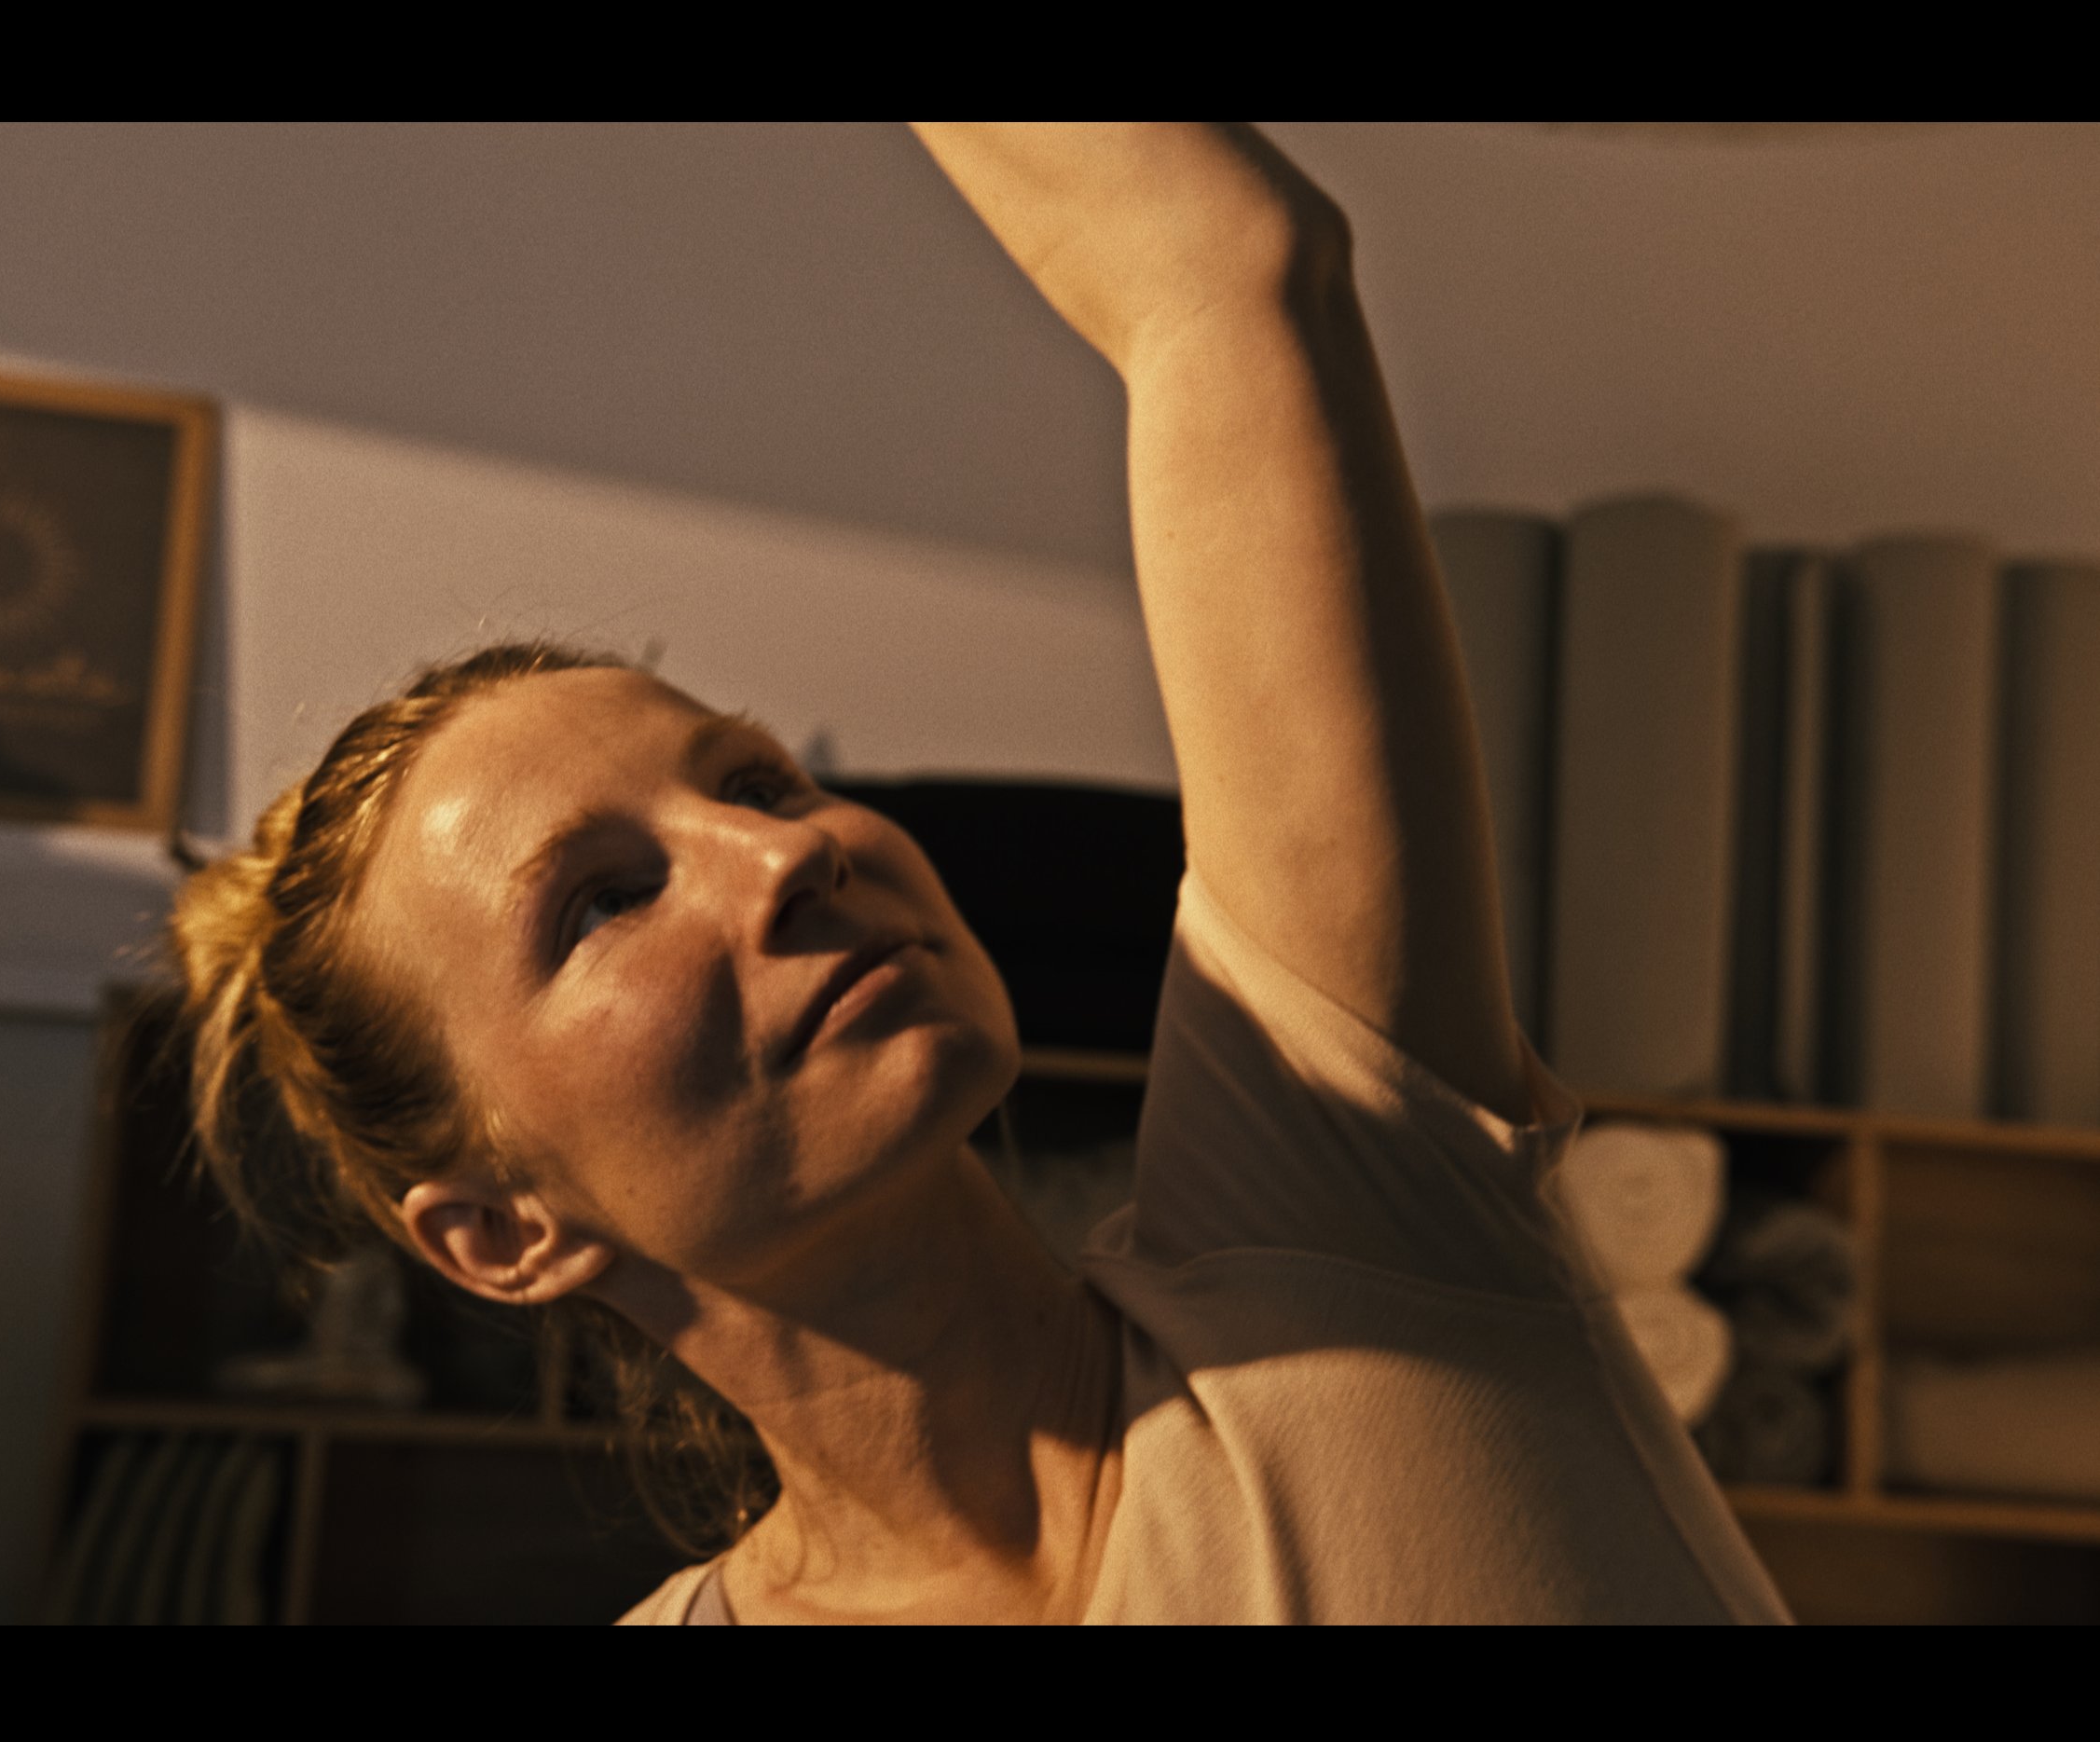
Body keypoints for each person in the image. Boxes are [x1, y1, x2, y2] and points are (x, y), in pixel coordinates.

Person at [172, 123, 1793, 1625]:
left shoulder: (1353, 1228)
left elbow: (1219, 260)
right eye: (602, 900)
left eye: (755, 782)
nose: (790, 850)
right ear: (499, 1234)